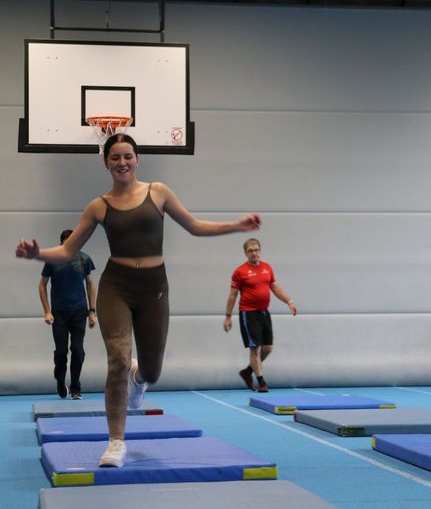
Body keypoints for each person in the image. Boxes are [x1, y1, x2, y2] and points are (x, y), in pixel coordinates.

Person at [17, 133, 260, 468]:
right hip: (116, 287)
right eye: (115, 157)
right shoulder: (99, 206)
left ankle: (139, 378)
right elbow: (68, 250)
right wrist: (37, 254)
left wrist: (236, 225)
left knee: (152, 370)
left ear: (137, 159)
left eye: (127, 156)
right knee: (118, 358)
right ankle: (116, 441)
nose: (122, 163)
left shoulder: (158, 192)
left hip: (154, 289)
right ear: (106, 163)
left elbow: (194, 226)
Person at [223, 238, 297, 393]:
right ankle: (261, 381)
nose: (254, 253)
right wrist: (228, 316)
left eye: (256, 250)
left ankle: (247, 372)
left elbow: (275, 287)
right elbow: (232, 295)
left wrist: (289, 301)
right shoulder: (240, 271)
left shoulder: (267, 268)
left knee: (268, 348)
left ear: (260, 251)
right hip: (248, 313)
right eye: (250, 250)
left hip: (264, 313)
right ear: (245, 253)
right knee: (254, 349)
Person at [39, 229, 96, 400]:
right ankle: (60, 379)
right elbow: (42, 286)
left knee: (78, 350)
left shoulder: (84, 258)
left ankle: (75, 388)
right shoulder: (52, 260)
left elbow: (90, 284)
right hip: (59, 314)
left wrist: (92, 311)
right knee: (61, 351)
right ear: (61, 243)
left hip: (79, 312)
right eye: (67, 242)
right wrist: (47, 311)